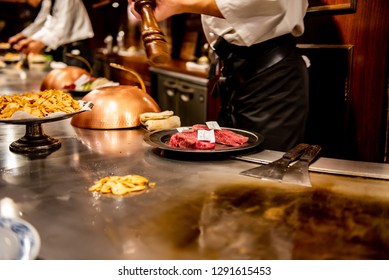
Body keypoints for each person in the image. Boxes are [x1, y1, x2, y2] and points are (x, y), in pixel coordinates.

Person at [129, 0, 309, 151]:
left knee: (263, 175)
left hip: (271, 77)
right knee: (229, 167)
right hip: (231, 73)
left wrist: (178, 3)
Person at [8, 0, 95, 70]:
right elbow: (47, 25)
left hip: (78, 49)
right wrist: (31, 39)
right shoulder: (49, 1)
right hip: (64, 48)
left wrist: (40, 43)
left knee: (77, 85)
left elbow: (62, 28)